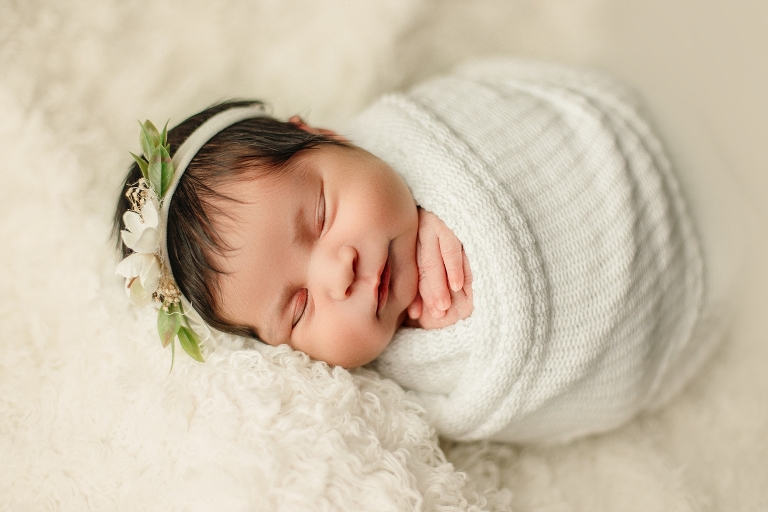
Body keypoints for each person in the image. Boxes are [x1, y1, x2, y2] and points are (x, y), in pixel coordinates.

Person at [115, 58, 721, 443]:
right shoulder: (391, 393)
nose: (337, 273)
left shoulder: (419, 133)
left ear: (324, 135)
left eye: (320, 214)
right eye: (298, 309)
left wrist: (454, 206)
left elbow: (504, 117)